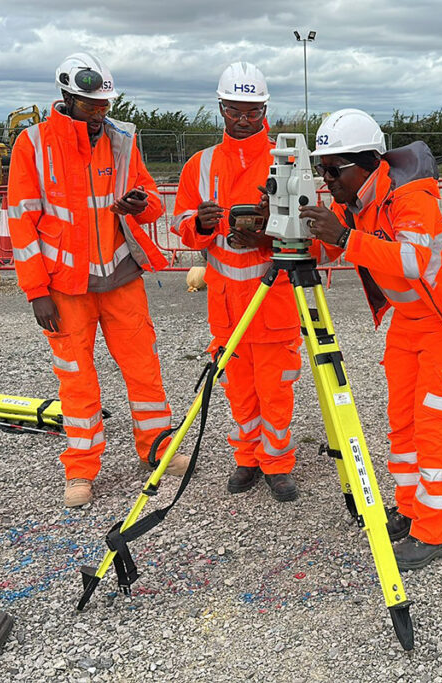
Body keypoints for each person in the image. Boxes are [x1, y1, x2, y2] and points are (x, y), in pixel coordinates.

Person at [299, 109, 442, 570]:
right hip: (410, 321)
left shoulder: (411, 197)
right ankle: (410, 510)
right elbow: (327, 246)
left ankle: (433, 531)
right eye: (322, 169)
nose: (327, 179)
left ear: (369, 163)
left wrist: (346, 238)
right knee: (402, 423)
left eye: (335, 170)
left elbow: (411, 261)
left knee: (433, 427)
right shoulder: (353, 202)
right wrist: (288, 227)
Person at [7, 52, 186, 508]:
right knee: (77, 379)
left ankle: (158, 448)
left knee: (144, 368)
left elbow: (153, 205)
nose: (100, 113)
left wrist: (138, 205)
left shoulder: (123, 139)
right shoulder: (34, 143)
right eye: (91, 105)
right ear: (67, 98)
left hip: (121, 275)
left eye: (105, 104)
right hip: (65, 287)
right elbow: (22, 222)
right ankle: (81, 467)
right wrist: (36, 292)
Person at [171, 62, 301, 502]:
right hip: (225, 304)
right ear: (221, 108)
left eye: (252, 112)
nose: (243, 120)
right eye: (234, 111)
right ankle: (246, 457)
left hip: (272, 298)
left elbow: (309, 229)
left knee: (276, 388)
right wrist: (202, 225)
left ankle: (277, 463)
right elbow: (181, 222)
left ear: (264, 109)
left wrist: (267, 234)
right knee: (238, 388)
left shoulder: (285, 160)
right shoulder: (199, 164)